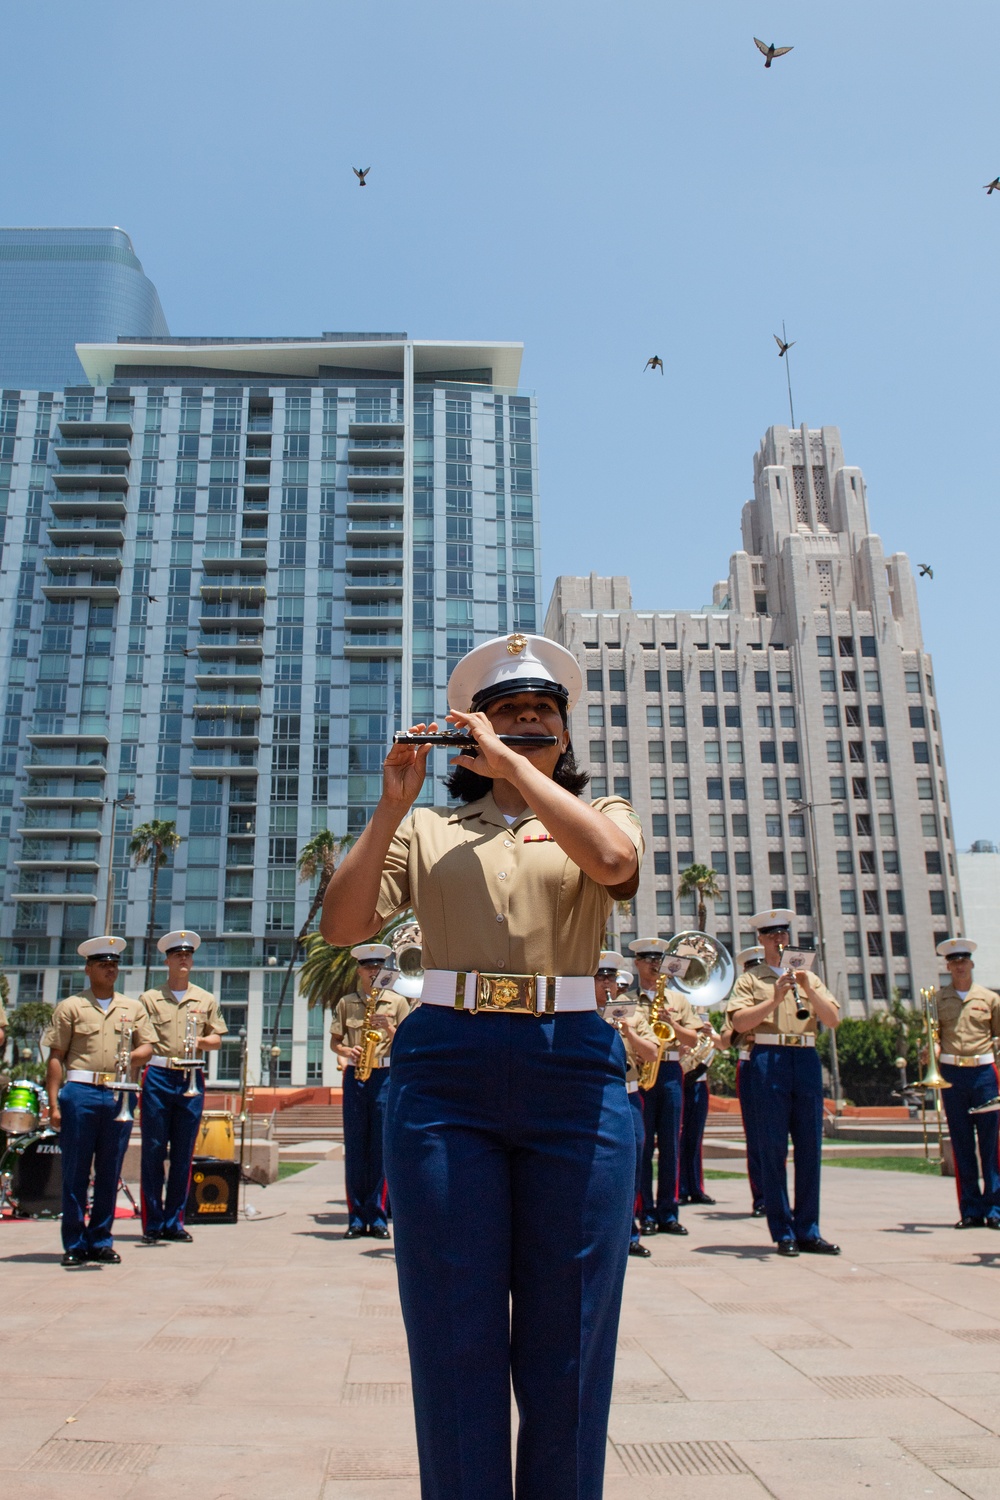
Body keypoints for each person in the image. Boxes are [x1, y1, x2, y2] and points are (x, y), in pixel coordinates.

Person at [321, 631, 643, 1500]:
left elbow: (615, 866)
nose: (528, 721)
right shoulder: (426, 829)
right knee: (454, 1328)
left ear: (564, 736)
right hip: (447, 1069)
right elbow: (344, 926)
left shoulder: (599, 812)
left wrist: (518, 770)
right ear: (469, 736)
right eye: (506, 713)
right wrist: (391, 805)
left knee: (569, 1332)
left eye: (542, 713)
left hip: (571, 1067)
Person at [726, 909, 841, 1257]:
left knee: (810, 1147)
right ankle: (783, 1231)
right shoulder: (752, 978)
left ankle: (809, 1229)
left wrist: (808, 987)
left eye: (784, 933)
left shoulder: (808, 976)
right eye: (772, 934)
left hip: (805, 1057)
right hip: (768, 1057)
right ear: (761, 940)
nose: (780, 939)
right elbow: (739, 1023)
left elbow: (833, 1019)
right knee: (772, 1148)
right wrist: (774, 998)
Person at [43, 937, 154, 1267]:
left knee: (110, 1171)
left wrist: (130, 1055)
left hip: (119, 1092)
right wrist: (54, 1103)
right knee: (76, 1171)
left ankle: (101, 1240)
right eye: (103, 964)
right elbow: (55, 1057)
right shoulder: (71, 1007)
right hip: (81, 1093)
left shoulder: (132, 1008)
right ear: (88, 969)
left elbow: (148, 1047)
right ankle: (75, 1243)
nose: (111, 969)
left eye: (115, 964)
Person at [138, 931, 227, 1245]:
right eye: (178, 955)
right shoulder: (149, 999)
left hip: (191, 1077)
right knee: (152, 1151)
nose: (184, 960)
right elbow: (142, 1041)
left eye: (188, 955)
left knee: (183, 1154)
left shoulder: (205, 999)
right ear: (167, 961)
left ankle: (174, 1221)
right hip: (159, 1076)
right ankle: (152, 1222)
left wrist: (201, 1041)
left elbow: (217, 1037)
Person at [330, 942, 411, 1239]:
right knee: (355, 1149)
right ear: (359, 970)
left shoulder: (397, 1002)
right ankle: (355, 1218)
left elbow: (406, 1040)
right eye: (368, 967)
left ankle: (377, 1217)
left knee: (380, 1147)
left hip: (386, 1074)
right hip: (356, 1075)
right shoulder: (347, 1002)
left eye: (378, 966)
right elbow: (335, 1042)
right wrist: (345, 1050)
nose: (373, 971)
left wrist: (388, 1027)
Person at [628, 937, 702, 1237]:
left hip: (670, 1069)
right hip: (644, 1071)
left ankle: (668, 1212)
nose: (654, 965)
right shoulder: (629, 999)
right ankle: (644, 1211)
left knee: (671, 1143)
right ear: (637, 963)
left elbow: (693, 1040)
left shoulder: (678, 1000)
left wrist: (675, 1023)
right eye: (647, 959)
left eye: (658, 960)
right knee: (643, 1146)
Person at [932, 938, 1000, 1229]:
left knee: (992, 1145)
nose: (960, 966)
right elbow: (933, 1037)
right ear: (948, 966)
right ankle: (971, 1209)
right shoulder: (938, 999)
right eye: (954, 962)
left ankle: (995, 1209)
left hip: (984, 1072)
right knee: (961, 1144)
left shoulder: (990, 999)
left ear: (971, 964)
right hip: (953, 1074)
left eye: (964, 961)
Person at [596, 950, 658, 1258]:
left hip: (628, 1094)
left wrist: (629, 1032)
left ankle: (630, 1233)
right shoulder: (582, 1014)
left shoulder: (633, 1013)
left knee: (631, 1165)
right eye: (600, 977)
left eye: (611, 978)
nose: (607, 984)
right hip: (592, 1095)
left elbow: (651, 1054)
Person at [721, 944, 766, 1216]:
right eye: (753, 968)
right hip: (750, 1063)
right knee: (756, 1136)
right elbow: (726, 1038)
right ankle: (760, 1196)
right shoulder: (744, 994)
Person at [678, 1009, 722, 1206]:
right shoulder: (677, 1007)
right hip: (678, 1078)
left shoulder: (703, 1013)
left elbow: (718, 1045)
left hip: (698, 1081)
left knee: (695, 1138)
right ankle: (678, 1188)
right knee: (676, 1138)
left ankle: (696, 1187)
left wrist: (710, 1033)